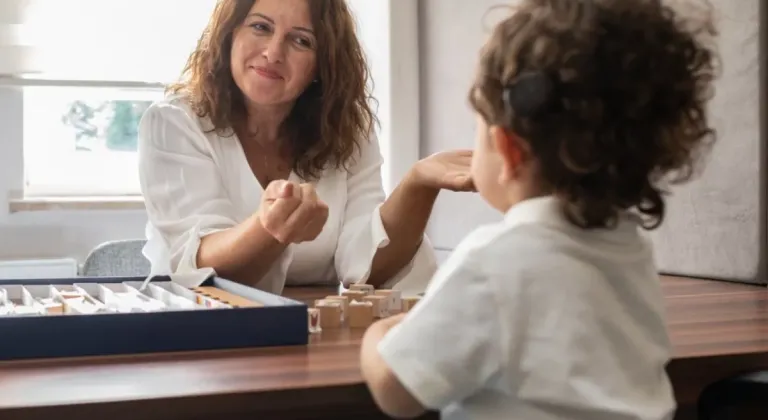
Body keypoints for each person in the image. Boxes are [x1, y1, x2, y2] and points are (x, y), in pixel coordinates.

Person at [360, 0, 718, 419]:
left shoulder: (493, 261)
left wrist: (379, 333)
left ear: (509, 150)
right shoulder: (631, 252)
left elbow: (395, 390)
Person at [137, 0, 474, 295]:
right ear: (229, 34)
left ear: (321, 64)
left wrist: (418, 184)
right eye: (260, 27)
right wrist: (268, 228)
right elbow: (197, 266)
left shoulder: (348, 130)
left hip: (311, 339)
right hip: (197, 337)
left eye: (301, 40)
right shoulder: (174, 121)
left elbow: (367, 267)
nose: (273, 53)